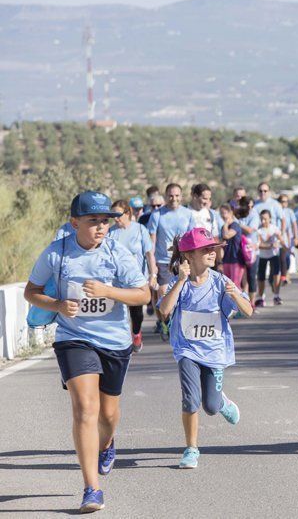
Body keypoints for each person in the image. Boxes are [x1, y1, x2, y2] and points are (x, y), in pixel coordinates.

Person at [24, 191, 150, 513]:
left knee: (107, 417)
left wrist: (109, 291)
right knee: (84, 408)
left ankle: (106, 444)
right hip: (74, 338)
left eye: (105, 221)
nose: (101, 227)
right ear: (74, 222)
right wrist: (57, 305)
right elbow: (31, 292)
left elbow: (143, 295)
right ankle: (91, 488)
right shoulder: (57, 253)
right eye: (93, 221)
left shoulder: (117, 253)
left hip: (114, 341)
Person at [157, 228, 253, 469]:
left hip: (214, 352)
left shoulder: (222, 282)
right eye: (206, 249)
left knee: (210, 406)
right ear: (188, 255)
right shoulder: (179, 283)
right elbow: (164, 311)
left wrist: (236, 295)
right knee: (191, 399)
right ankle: (191, 449)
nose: (212, 252)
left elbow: (248, 310)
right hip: (186, 349)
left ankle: (221, 402)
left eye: (213, 248)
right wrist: (180, 280)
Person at [109, 199, 156, 352]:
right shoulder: (110, 232)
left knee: (136, 314)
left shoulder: (140, 229)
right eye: (113, 215)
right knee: (119, 314)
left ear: (127, 213)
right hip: (117, 281)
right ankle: (121, 342)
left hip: (137, 280)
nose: (115, 218)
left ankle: (136, 333)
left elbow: (149, 254)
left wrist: (153, 274)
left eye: (118, 215)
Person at [147, 183, 193, 336]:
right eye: (171, 195)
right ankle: (164, 321)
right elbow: (151, 243)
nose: (174, 198)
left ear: (181, 196)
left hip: (182, 260)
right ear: (166, 196)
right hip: (163, 261)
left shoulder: (188, 214)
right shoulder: (157, 215)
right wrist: (152, 268)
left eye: (177, 195)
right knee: (163, 292)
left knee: (183, 294)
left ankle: (176, 322)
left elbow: (192, 240)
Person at [256, 210, 283, 306]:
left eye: (265, 219)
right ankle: (260, 298)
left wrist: (279, 241)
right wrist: (271, 244)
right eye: (261, 219)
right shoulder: (259, 230)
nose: (263, 221)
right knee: (261, 277)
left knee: (276, 274)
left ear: (270, 219)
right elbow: (259, 245)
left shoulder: (274, 229)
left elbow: (281, 240)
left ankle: (276, 296)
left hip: (274, 255)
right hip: (262, 255)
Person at [219, 204, 245, 292]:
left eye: (225, 213)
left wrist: (226, 224)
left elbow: (226, 235)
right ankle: (231, 305)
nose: (223, 215)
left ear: (230, 213)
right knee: (227, 285)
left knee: (235, 285)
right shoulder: (223, 227)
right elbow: (222, 243)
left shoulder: (235, 225)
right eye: (221, 213)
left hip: (236, 259)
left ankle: (242, 304)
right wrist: (220, 261)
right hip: (226, 259)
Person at [278, 193, 298, 286]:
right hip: (278, 237)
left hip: (288, 237)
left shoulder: (289, 211)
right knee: (281, 257)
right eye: (282, 201)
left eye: (286, 201)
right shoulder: (276, 210)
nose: (284, 203)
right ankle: (283, 276)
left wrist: (296, 237)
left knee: (287, 257)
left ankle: (286, 274)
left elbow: (294, 225)